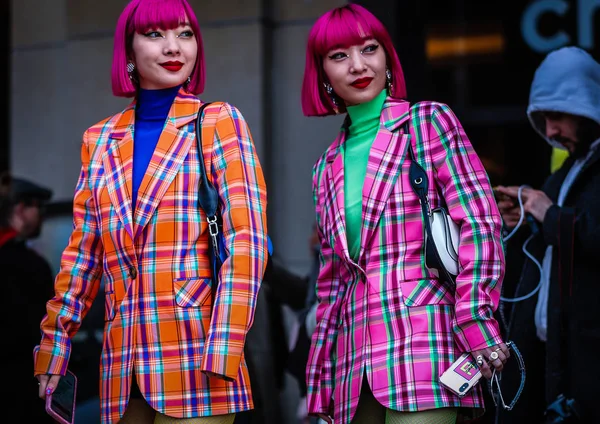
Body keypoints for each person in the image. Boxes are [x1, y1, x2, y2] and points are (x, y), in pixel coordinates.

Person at [32, 0, 269, 423]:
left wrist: (225, 346)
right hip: (122, 366)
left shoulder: (217, 121)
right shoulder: (99, 139)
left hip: (199, 354)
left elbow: (247, 243)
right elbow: (84, 257)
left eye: (185, 34)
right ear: (128, 50)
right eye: (155, 34)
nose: (173, 47)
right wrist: (55, 344)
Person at [300, 5, 508, 424]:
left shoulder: (428, 121)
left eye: (369, 48)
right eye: (339, 56)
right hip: (351, 368)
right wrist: (319, 379)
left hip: (427, 341)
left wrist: (476, 318)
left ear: (387, 57)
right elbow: (331, 285)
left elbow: (480, 223)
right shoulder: (325, 166)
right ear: (322, 73)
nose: (358, 65)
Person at [495, 46, 600, 423]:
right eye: (544, 119)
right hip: (553, 351)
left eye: (557, 116)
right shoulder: (567, 171)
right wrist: (524, 221)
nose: (551, 131)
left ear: (587, 103)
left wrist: (543, 209)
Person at [0, 173, 55, 422]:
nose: (42, 215)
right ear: (21, 209)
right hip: (22, 389)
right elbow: (42, 330)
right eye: (39, 207)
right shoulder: (30, 265)